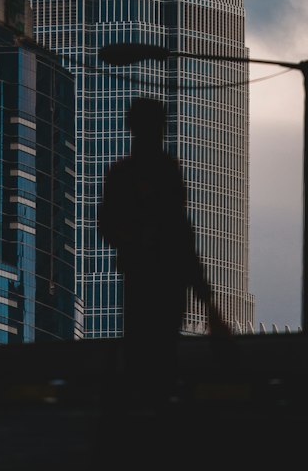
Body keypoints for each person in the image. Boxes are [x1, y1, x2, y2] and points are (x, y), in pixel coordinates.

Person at [98, 95, 231, 390]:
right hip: (156, 282)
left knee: (147, 361)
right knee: (155, 361)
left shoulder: (144, 173)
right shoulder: (152, 173)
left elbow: (180, 238)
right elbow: (182, 239)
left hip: (155, 283)